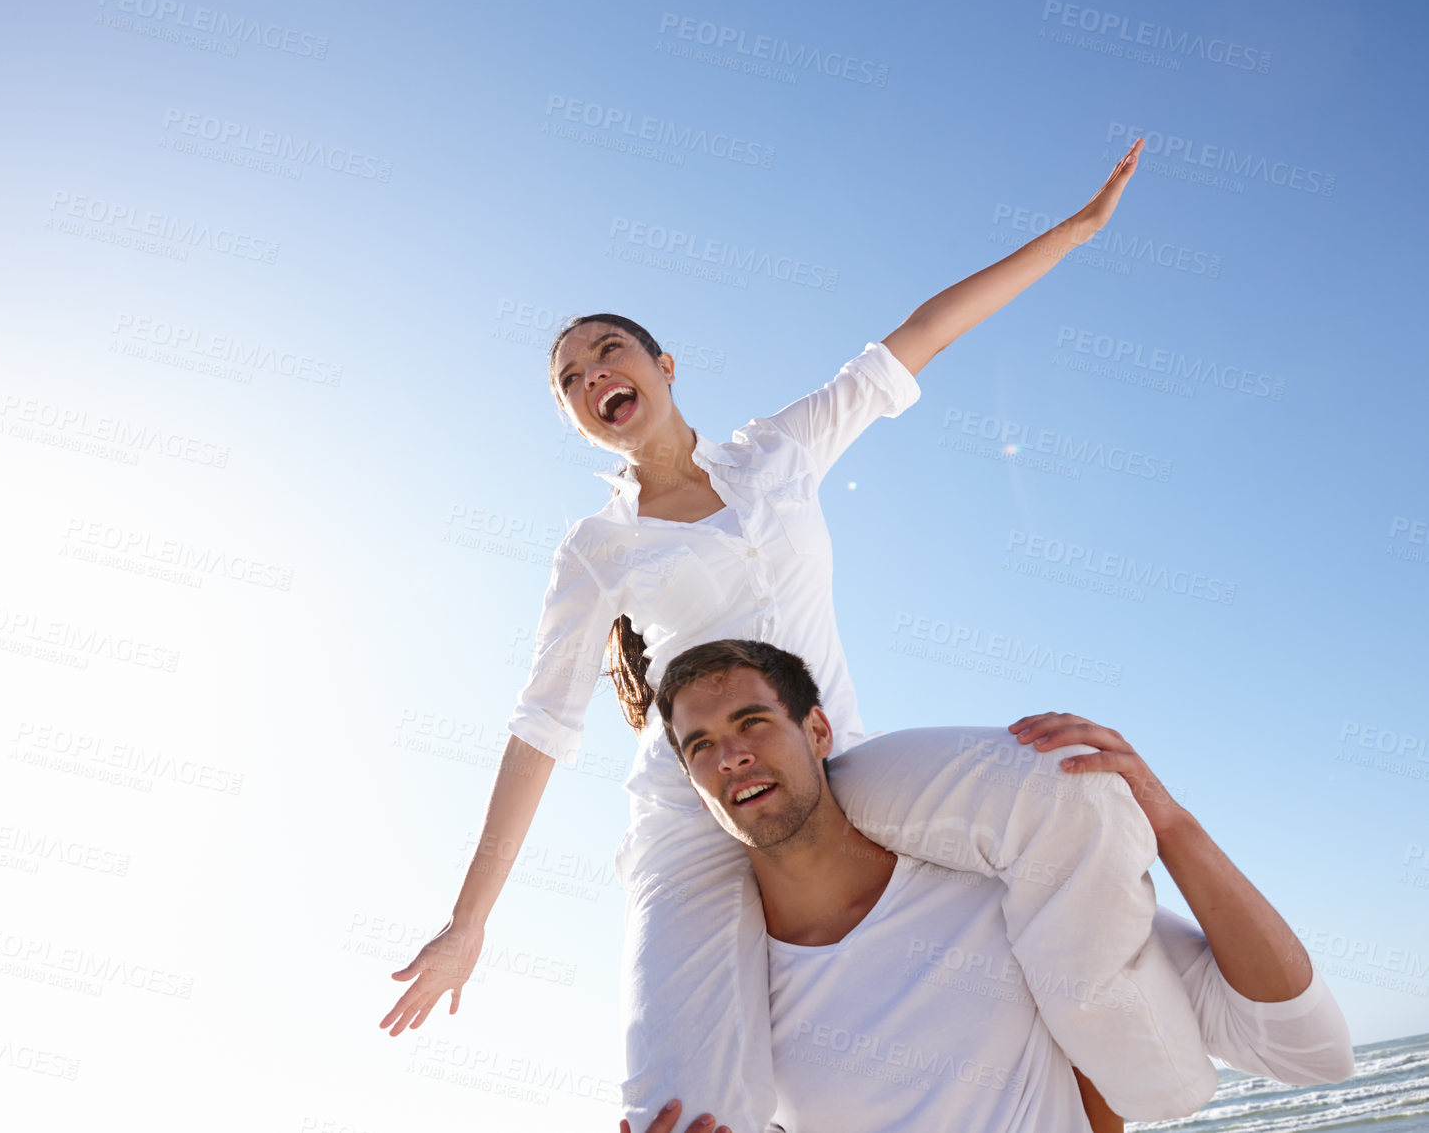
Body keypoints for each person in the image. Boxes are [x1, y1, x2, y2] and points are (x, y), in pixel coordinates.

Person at [381, 138, 1218, 1126]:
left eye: (608, 349)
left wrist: (1077, 231)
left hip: (842, 776)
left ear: (662, 365)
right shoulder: (596, 546)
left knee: (1040, 829)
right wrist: (469, 922)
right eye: (570, 378)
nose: (592, 372)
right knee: (679, 1106)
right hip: (688, 819)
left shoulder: (779, 451)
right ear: (579, 424)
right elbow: (540, 728)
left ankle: (1177, 1030)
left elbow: (921, 334)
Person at [630, 639, 1353, 1132]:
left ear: (817, 731)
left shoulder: (998, 884)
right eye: (701, 747)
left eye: (752, 721)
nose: (731, 755)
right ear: (695, 789)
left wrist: (1170, 822)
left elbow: (1300, 1046)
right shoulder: (727, 997)